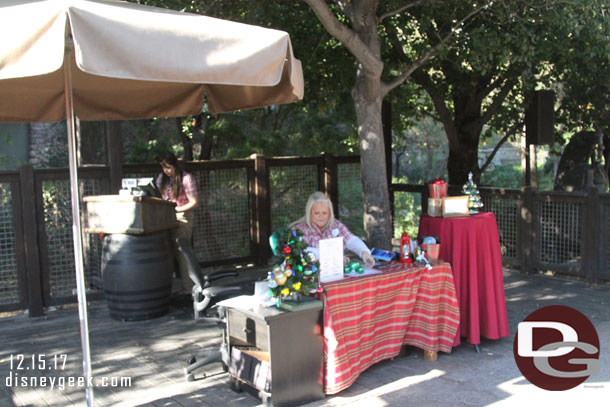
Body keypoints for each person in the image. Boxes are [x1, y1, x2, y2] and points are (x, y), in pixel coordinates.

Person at [291, 191, 375, 268]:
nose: (321, 216)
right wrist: (334, 256)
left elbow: (351, 240)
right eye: (316, 213)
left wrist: (364, 251)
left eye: (324, 213)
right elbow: (302, 252)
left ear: (330, 213)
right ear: (309, 213)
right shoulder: (301, 229)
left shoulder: (336, 225)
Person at [156, 152, 199, 293]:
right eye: (163, 168)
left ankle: (189, 288)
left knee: (182, 252)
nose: (166, 171)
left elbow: (194, 202)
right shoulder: (162, 178)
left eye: (168, 167)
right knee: (166, 251)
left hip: (182, 216)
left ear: (175, 165)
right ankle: (168, 288)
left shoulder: (187, 179)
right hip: (165, 217)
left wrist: (177, 210)